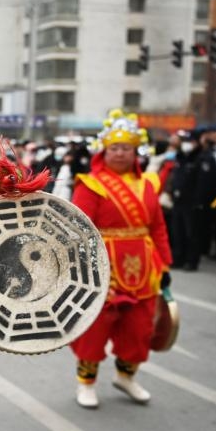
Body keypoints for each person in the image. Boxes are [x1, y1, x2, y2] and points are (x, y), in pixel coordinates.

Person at [69, 110, 172, 409]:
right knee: (95, 328)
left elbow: (158, 227)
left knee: (139, 329)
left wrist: (164, 263)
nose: (120, 153)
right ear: (104, 151)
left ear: (135, 151)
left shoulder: (149, 184)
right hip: (103, 264)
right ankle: (86, 383)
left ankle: (126, 376)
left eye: (125, 148)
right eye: (114, 148)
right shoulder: (90, 184)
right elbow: (77, 229)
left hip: (143, 262)